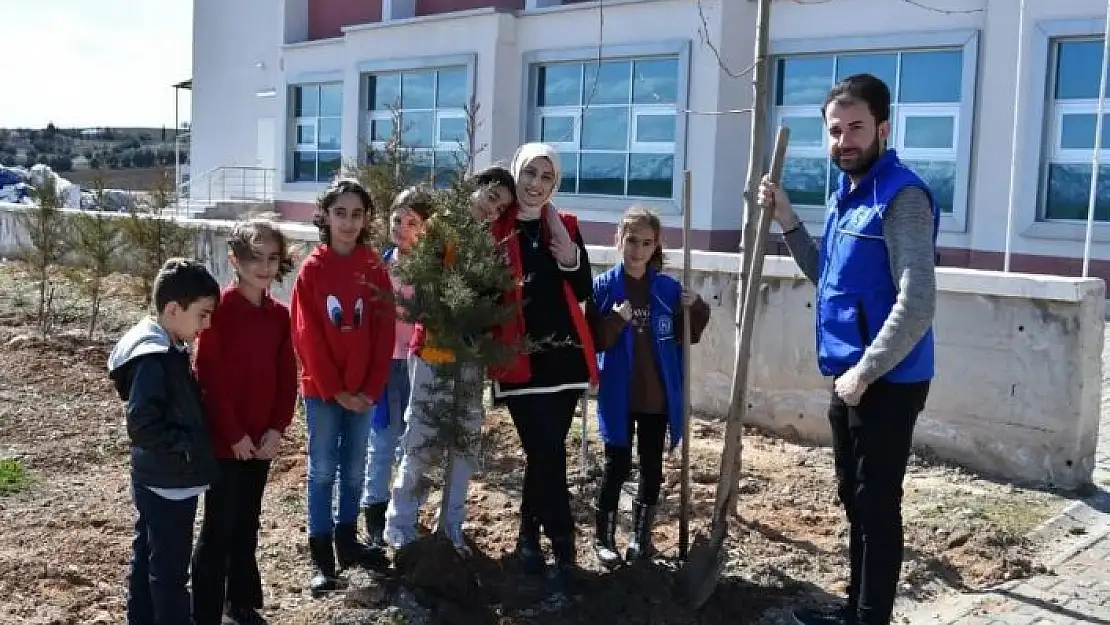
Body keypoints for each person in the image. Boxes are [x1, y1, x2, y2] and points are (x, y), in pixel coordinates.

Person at [758, 73, 938, 625]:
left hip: (887, 379)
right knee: (853, 499)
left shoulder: (900, 197)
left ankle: (870, 617)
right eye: (835, 131)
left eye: (856, 127)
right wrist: (788, 219)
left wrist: (866, 371)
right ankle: (855, 609)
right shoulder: (847, 196)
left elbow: (918, 302)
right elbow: (826, 274)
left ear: (883, 127)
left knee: (877, 505)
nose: (844, 141)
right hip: (848, 375)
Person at [383, 167, 517, 553]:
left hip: (471, 358)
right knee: (420, 440)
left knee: (464, 442)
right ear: (473, 189)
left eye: (501, 207)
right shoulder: (435, 231)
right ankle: (400, 526)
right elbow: (423, 290)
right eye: (491, 198)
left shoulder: (491, 246)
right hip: (432, 353)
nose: (493, 210)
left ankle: (452, 526)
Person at [488, 143, 598, 590]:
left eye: (546, 177)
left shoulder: (565, 226)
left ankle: (531, 539)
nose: (535, 184)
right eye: (529, 173)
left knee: (546, 452)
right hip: (518, 360)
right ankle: (563, 541)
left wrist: (567, 252)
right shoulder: (495, 229)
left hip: (565, 358)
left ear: (555, 185)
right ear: (515, 173)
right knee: (544, 450)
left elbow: (585, 286)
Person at [587, 206, 710, 568]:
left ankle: (641, 538)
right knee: (617, 466)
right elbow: (595, 339)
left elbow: (688, 334)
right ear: (618, 240)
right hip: (619, 394)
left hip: (656, 395)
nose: (637, 249)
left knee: (652, 468)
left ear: (655, 245)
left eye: (646, 242)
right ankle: (603, 537)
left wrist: (696, 307)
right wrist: (616, 319)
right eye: (631, 241)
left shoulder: (667, 289)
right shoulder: (604, 287)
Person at [289, 178, 395, 595]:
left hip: (364, 392)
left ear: (367, 218)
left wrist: (369, 387)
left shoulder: (373, 267)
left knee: (354, 470)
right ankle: (321, 555)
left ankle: (348, 543)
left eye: (356, 214)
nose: (348, 222)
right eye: (340, 213)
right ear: (325, 216)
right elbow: (307, 334)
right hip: (324, 393)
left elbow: (384, 329)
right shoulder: (313, 270)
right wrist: (336, 389)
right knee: (322, 471)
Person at [190, 219, 298, 625]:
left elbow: (287, 377)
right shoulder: (219, 312)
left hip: (261, 442)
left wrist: (276, 428)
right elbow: (209, 378)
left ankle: (241, 600)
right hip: (226, 442)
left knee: (248, 520)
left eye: (272, 258)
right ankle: (203, 610)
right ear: (235, 259)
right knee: (219, 525)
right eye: (255, 258)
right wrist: (232, 434)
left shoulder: (279, 316)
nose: (265, 267)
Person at [107, 258, 221, 625]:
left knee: (148, 559)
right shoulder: (154, 359)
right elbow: (142, 425)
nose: (207, 324)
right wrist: (187, 444)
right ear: (173, 309)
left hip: (159, 476)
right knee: (171, 575)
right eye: (202, 315)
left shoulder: (168, 346)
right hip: (168, 482)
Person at [360, 190, 431, 547]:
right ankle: (374, 507)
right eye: (397, 221)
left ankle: (407, 512)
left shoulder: (431, 273)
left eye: (412, 223)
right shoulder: (379, 267)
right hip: (386, 363)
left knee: (413, 439)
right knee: (384, 436)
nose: (402, 229)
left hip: (418, 362)